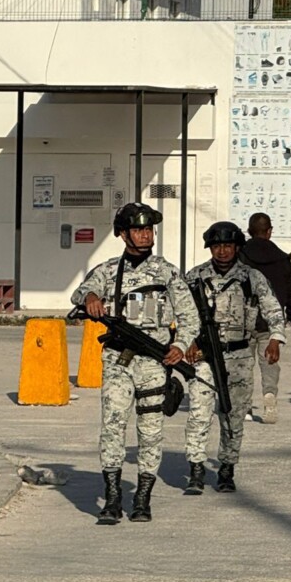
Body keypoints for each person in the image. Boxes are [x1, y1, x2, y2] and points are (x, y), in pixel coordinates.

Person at [71, 202, 199, 524]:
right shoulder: (108, 270)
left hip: (154, 362)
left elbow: (189, 316)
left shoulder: (167, 272)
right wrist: (90, 298)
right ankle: (113, 497)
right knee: (113, 425)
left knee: (151, 431)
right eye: (138, 229)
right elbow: (81, 292)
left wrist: (180, 346)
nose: (145, 235)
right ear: (123, 234)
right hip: (117, 360)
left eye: (148, 229)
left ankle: (142, 497)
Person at [183, 221, 286, 494]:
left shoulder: (251, 277)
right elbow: (180, 313)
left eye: (228, 246)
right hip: (204, 356)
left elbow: (273, 308)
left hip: (239, 355)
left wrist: (275, 337)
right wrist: (187, 341)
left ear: (237, 247)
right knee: (198, 413)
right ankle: (195, 468)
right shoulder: (195, 277)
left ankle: (227, 468)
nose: (222, 251)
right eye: (217, 246)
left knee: (233, 415)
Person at [239, 212, 291, 424]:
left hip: (243, 320)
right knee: (269, 361)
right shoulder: (282, 258)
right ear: (269, 231)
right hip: (270, 321)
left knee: (242, 364)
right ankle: (269, 395)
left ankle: (244, 407)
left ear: (248, 231)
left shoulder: (239, 255)